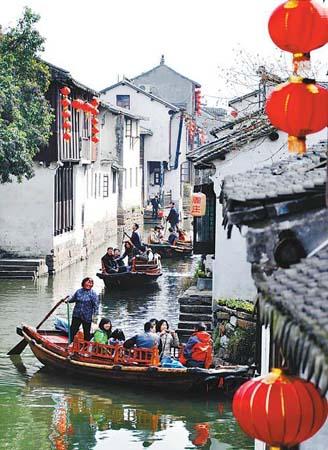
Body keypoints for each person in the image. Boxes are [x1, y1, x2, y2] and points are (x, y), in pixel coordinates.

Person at [67, 277, 99, 343]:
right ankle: (70, 343)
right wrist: (67, 301)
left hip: (87, 316)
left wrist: (95, 318)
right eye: (88, 282)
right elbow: (73, 299)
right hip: (77, 314)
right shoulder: (79, 291)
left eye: (91, 283)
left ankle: (86, 347)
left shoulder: (93, 294)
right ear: (84, 283)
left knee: (87, 333)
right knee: (73, 330)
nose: (89, 284)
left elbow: (96, 306)